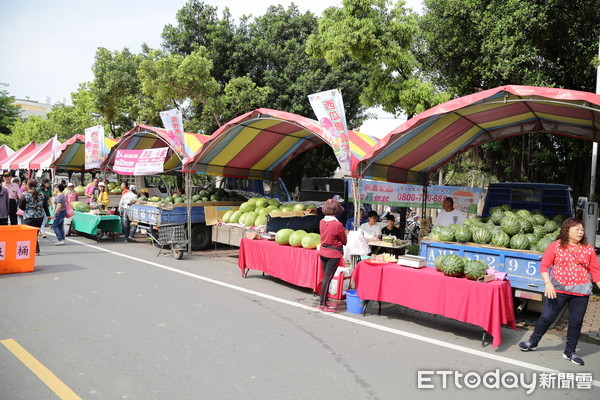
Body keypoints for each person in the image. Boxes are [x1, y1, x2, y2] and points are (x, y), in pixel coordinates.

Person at [519, 218, 600, 366]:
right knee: (547, 317)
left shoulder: (588, 249)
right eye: (576, 229)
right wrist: (548, 284)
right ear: (566, 230)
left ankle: (570, 352)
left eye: (582, 229)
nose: (580, 232)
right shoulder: (556, 246)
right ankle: (533, 342)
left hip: (581, 292)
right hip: (558, 289)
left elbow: (595, 271)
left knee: (576, 322)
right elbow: (544, 266)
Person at [318, 198, 347, 313]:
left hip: (323, 252)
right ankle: (322, 303)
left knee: (326, 277)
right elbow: (344, 241)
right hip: (333, 254)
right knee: (327, 278)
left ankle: (324, 300)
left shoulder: (322, 222)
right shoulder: (337, 224)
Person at [18, 179, 47, 254]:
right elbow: (45, 206)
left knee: (29, 235)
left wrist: (27, 209)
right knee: (35, 234)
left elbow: (21, 206)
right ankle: (35, 250)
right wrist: (48, 215)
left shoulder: (25, 195)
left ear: (28, 186)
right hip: (40, 217)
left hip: (29, 216)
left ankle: (35, 250)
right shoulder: (41, 194)